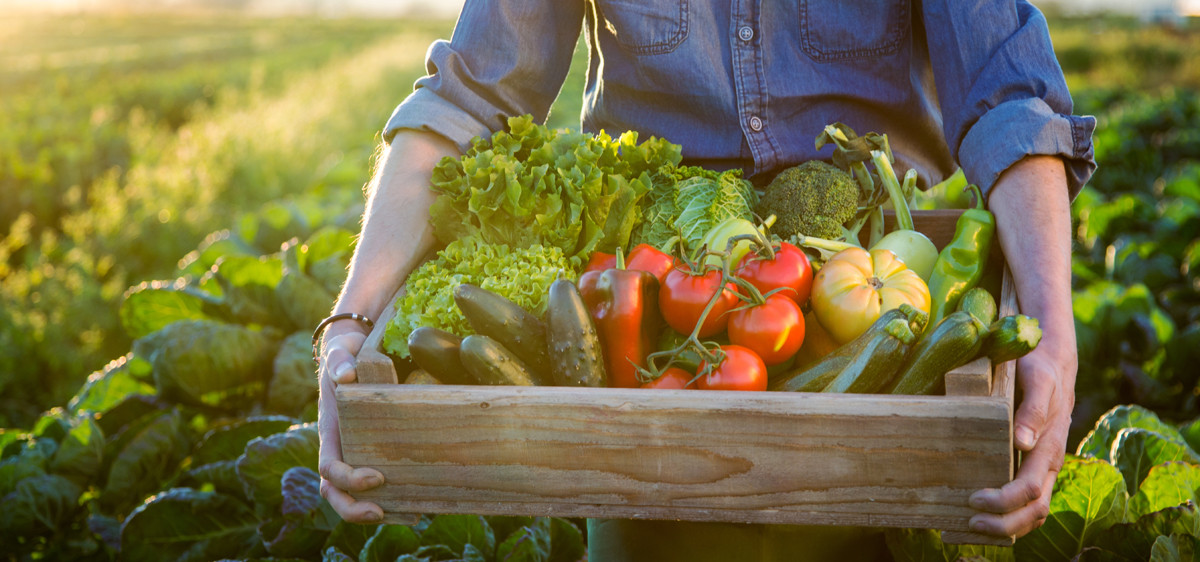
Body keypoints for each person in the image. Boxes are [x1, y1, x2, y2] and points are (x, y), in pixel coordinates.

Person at [316, 0, 1093, 559]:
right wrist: (350, 324)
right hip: (647, 354)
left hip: (877, 296)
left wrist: (1053, 332)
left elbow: (1009, 98)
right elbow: (465, 99)